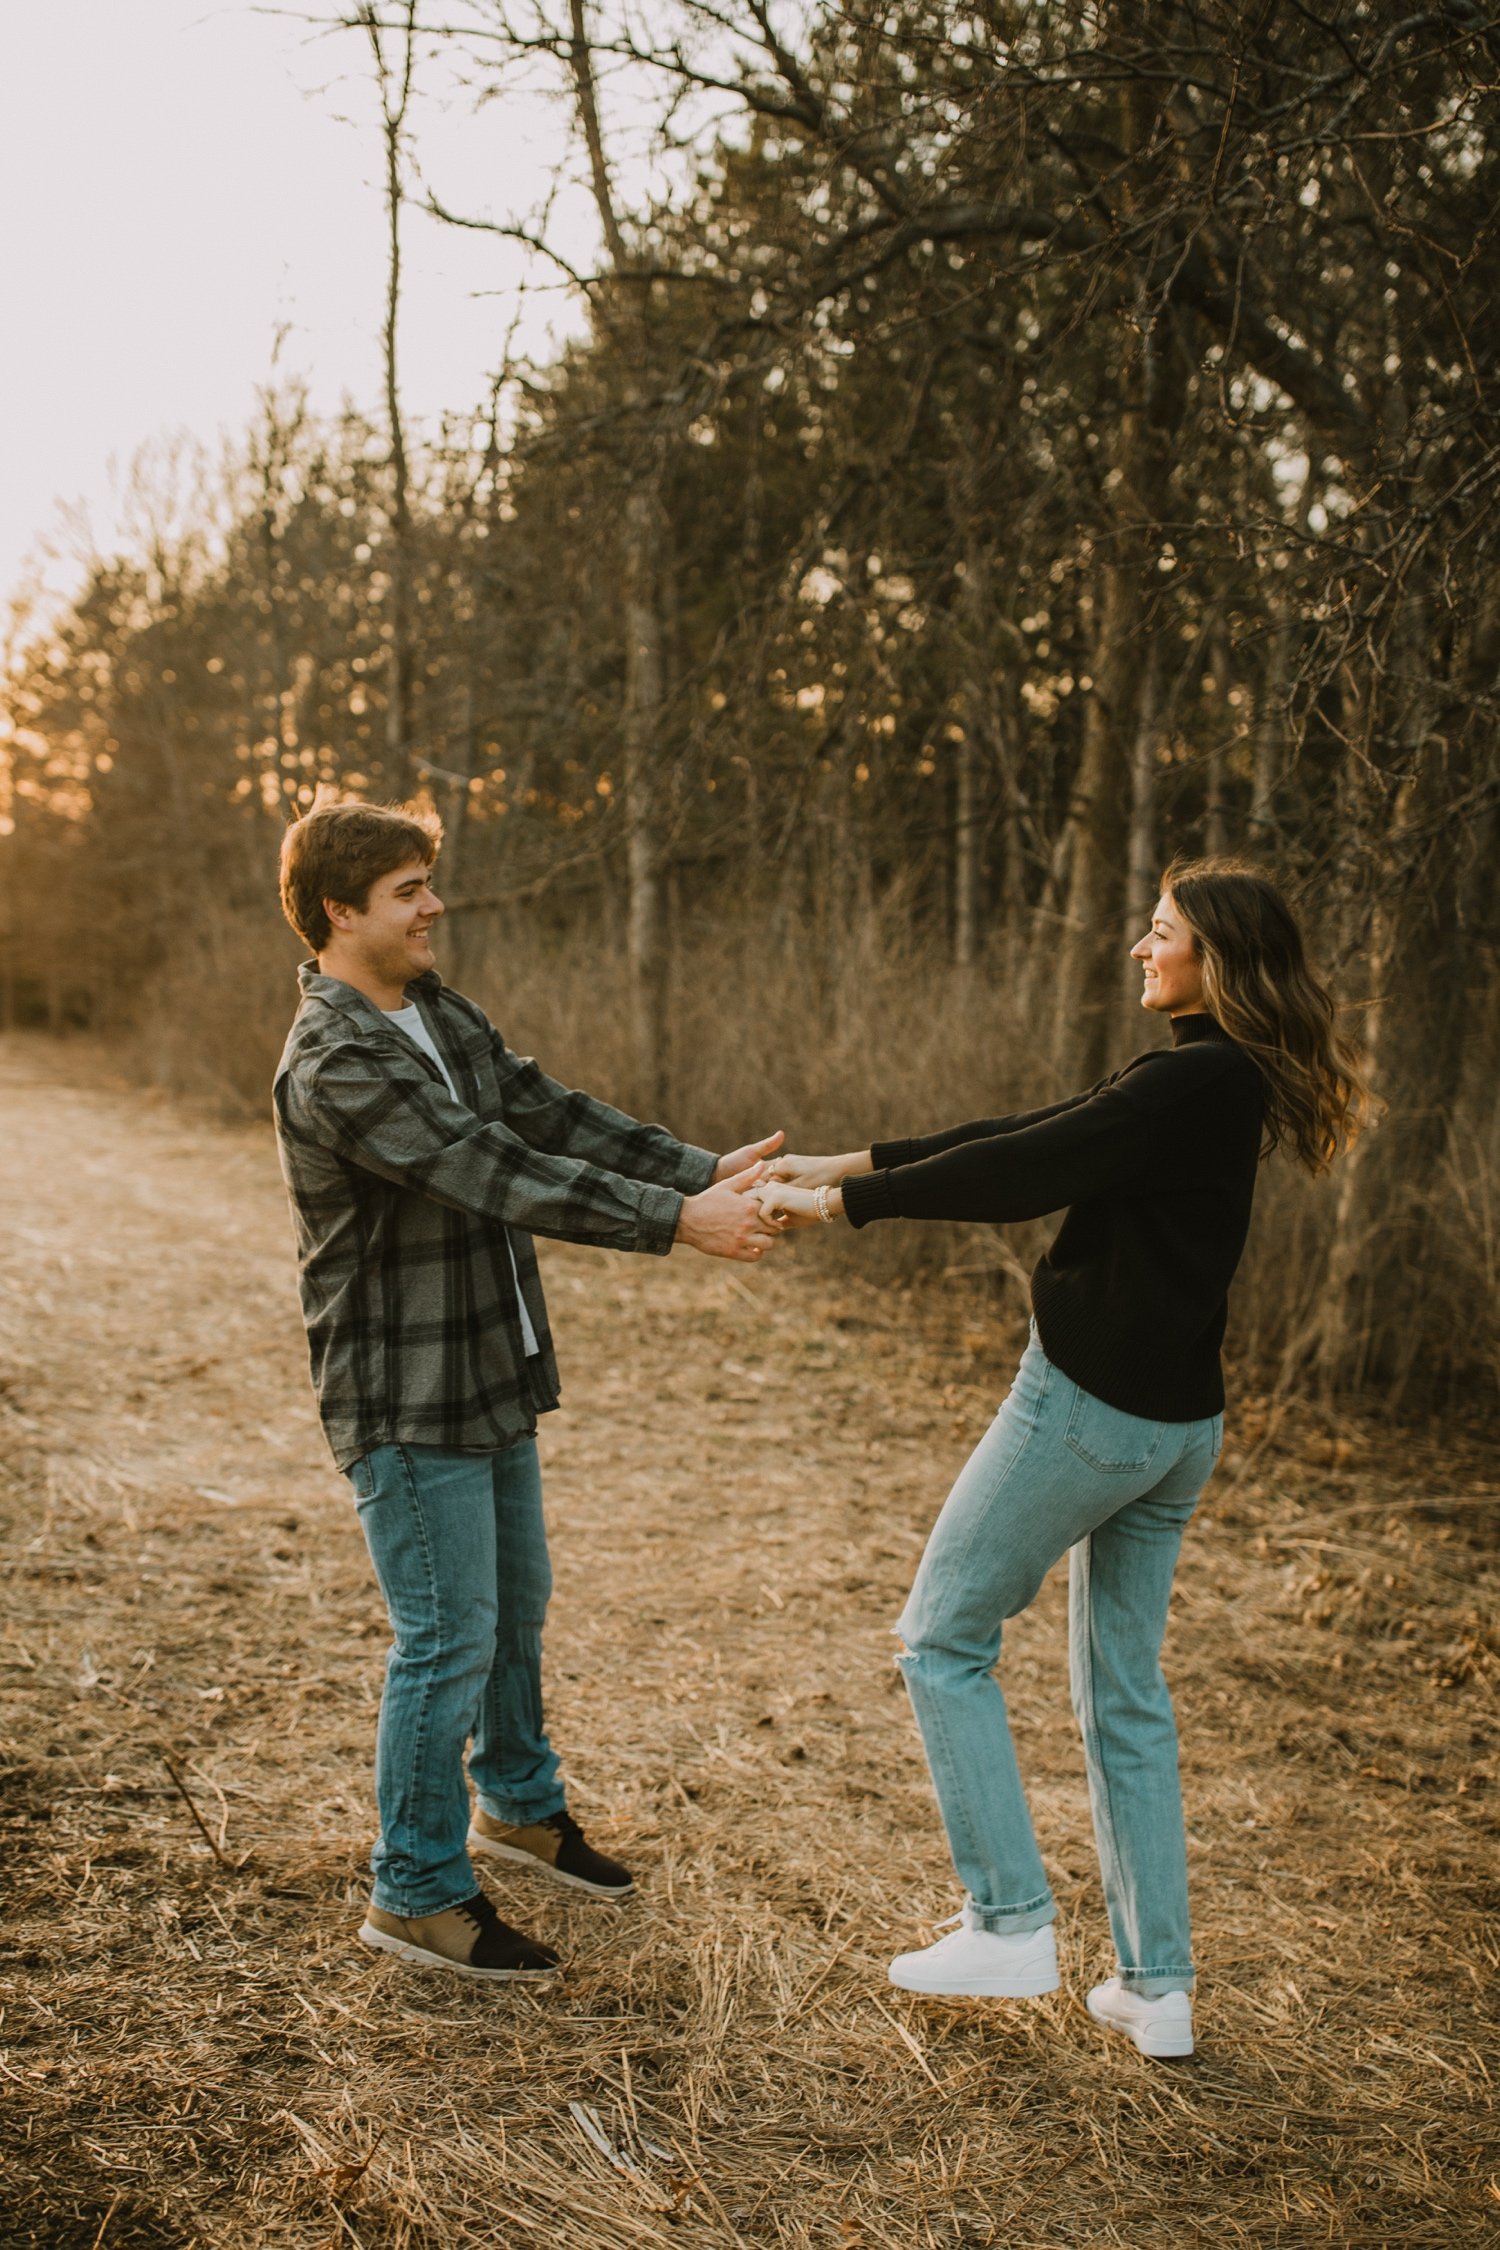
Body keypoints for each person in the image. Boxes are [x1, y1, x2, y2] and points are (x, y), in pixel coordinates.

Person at [758, 859, 1369, 2058]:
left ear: (1217, 961)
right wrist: (848, 1164)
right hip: (1177, 1429)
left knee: (940, 1640)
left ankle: (1009, 1922)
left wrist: (842, 1211)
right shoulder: (1215, 1081)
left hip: (1087, 1413)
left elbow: (1022, 1171)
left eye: (1162, 933)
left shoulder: (1193, 1079)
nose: (1142, 950)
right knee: (1124, 1700)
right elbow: (1035, 1133)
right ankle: (1156, 1989)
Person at [274, 799, 782, 1983]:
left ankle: (517, 1805)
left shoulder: (434, 1009)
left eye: (427, 884)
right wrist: (676, 1222)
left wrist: (698, 1168)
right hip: (405, 1395)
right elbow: (492, 1170)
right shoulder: (338, 1059)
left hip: (488, 1367)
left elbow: (546, 1110)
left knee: (515, 1609)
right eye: (408, 890)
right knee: (446, 1637)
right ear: (341, 913)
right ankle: (416, 1891)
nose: (434, 905)